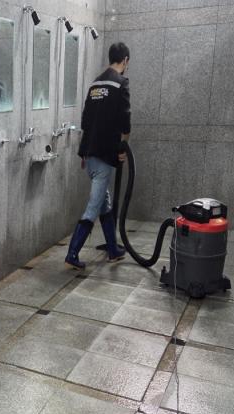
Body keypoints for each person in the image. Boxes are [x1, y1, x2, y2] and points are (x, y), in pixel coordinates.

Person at [65, 42, 131, 269]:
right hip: (104, 155)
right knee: (94, 205)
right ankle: (72, 254)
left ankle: (112, 249)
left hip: (89, 153)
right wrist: (122, 148)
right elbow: (125, 121)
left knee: (104, 201)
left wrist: (85, 151)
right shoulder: (120, 83)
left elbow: (85, 120)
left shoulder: (95, 84)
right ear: (125, 60)